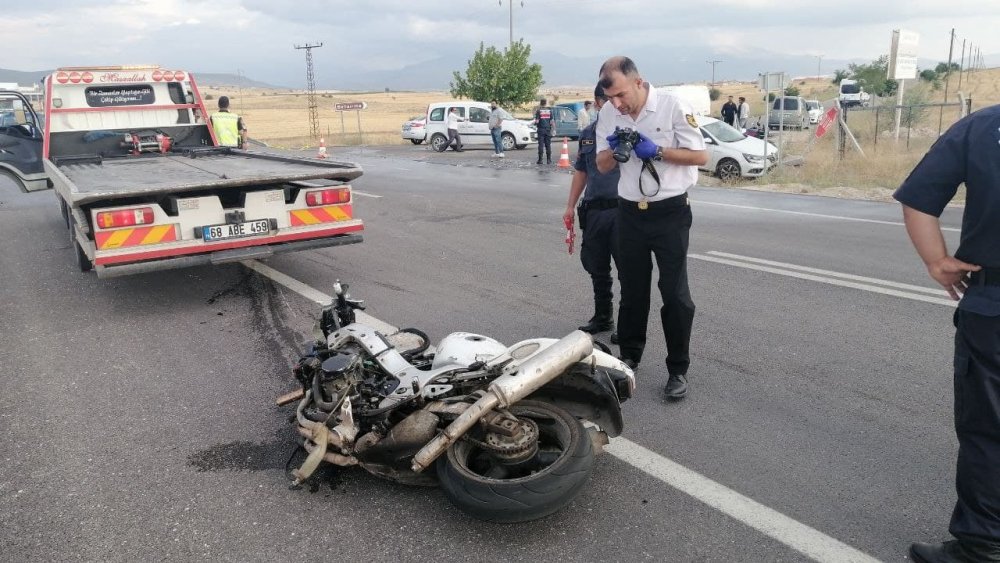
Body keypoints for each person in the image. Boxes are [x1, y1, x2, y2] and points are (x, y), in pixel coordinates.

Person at [894, 104, 1000, 563]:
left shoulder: (984, 127)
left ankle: (983, 546)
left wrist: (938, 261)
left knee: (989, 429)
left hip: (994, 306)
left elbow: (919, 197)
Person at [595, 56, 708, 400]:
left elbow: (700, 156)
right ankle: (629, 357)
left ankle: (678, 369)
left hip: (670, 212)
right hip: (629, 212)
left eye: (621, 95)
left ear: (638, 82)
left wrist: (656, 150)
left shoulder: (673, 106)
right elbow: (601, 165)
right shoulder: (609, 113)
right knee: (632, 291)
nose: (617, 104)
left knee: (674, 294)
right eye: (610, 97)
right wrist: (615, 150)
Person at [564, 84, 621, 337]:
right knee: (597, 267)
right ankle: (603, 316)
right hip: (594, 211)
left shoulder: (625, 133)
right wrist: (570, 206)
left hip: (621, 210)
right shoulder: (588, 134)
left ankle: (628, 325)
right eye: (606, 100)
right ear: (598, 103)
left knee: (628, 271)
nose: (613, 105)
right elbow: (581, 171)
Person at [533, 98, 555, 164]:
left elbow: (537, 121)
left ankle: (540, 160)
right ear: (546, 103)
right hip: (548, 130)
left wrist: (534, 123)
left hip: (541, 130)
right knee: (548, 145)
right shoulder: (549, 111)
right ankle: (549, 160)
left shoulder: (539, 111)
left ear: (540, 103)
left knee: (541, 145)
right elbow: (552, 121)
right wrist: (553, 129)